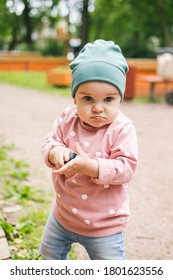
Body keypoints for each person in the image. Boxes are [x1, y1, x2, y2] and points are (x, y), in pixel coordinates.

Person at [39, 39, 138, 260]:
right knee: (48, 254)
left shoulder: (122, 128)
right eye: (87, 98)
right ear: (74, 97)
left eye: (109, 99)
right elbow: (50, 140)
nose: (97, 107)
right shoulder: (67, 119)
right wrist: (56, 152)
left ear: (120, 99)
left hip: (104, 226)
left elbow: (126, 168)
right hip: (63, 216)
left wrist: (91, 167)